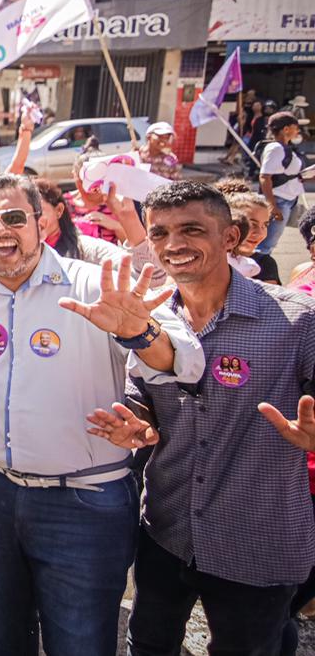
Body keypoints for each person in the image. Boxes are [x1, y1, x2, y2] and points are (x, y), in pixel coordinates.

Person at [0, 174, 202, 655]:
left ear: (42, 221)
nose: (0, 229)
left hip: (83, 500)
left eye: (14, 217)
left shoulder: (98, 285)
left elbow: (186, 362)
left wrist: (140, 334)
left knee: (79, 640)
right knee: (5, 624)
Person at [85, 181, 315, 655]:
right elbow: (142, 396)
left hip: (256, 538)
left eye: (192, 230)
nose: (173, 245)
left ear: (230, 237)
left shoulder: (297, 320)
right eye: (160, 232)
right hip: (167, 529)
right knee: (148, 644)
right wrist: (138, 423)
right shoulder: (146, 319)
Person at [258, 111, 306, 256]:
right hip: (279, 201)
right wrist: (272, 205)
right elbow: (265, 177)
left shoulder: (285, 148)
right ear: (286, 129)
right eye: (295, 127)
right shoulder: (276, 148)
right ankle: (256, 272)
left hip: (287, 200)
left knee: (269, 243)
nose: (298, 131)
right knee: (265, 245)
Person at [227, 190, 279, 283]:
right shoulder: (212, 259)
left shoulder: (265, 264)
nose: (259, 233)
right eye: (251, 224)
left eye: (265, 225)